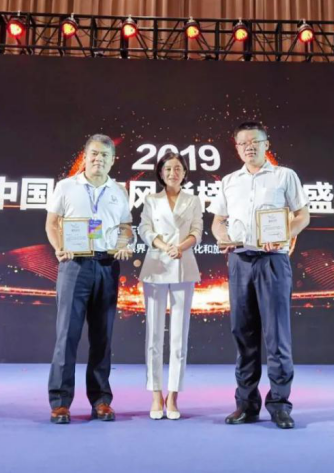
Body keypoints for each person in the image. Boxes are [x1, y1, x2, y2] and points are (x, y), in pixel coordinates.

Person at [209, 122, 310, 429]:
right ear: (237, 148)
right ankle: (246, 404)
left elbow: (302, 215)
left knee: (277, 335)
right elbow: (218, 221)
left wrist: (283, 235)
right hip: (240, 260)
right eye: (243, 143)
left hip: (273, 261)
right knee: (243, 334)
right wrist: (221, 236)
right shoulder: (229, 181)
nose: (249, 147)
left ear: (267, 144)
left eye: (255, 141)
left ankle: (279, 403)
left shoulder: (285, 176)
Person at [45, 133, 133, 424]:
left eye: (105, 155)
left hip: (107, 266)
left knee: (102, 336)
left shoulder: (119, 191)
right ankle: (60, 402)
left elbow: (126, 227)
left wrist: (123, 243)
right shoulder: (66, 187)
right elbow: (52, 223)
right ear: (85, 157)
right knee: (67, 335)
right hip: (75, 266)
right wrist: (59, 246)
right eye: (94, 154)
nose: (99, 159)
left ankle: (101, 400)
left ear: (113, 160)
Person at [138, 152, 203, 420]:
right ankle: (156, 393)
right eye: (167, 168)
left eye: (177, 168)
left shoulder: (193, 200)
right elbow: (144, 229)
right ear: (160, 173)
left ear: (185, 173)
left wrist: (181, 247)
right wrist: (165, 246)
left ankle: (173, 395)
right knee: (154, 334)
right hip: (156, 265)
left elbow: (197, 231)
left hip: (183, 265)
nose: (172, 173)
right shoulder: (151, 200)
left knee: (179, 335)